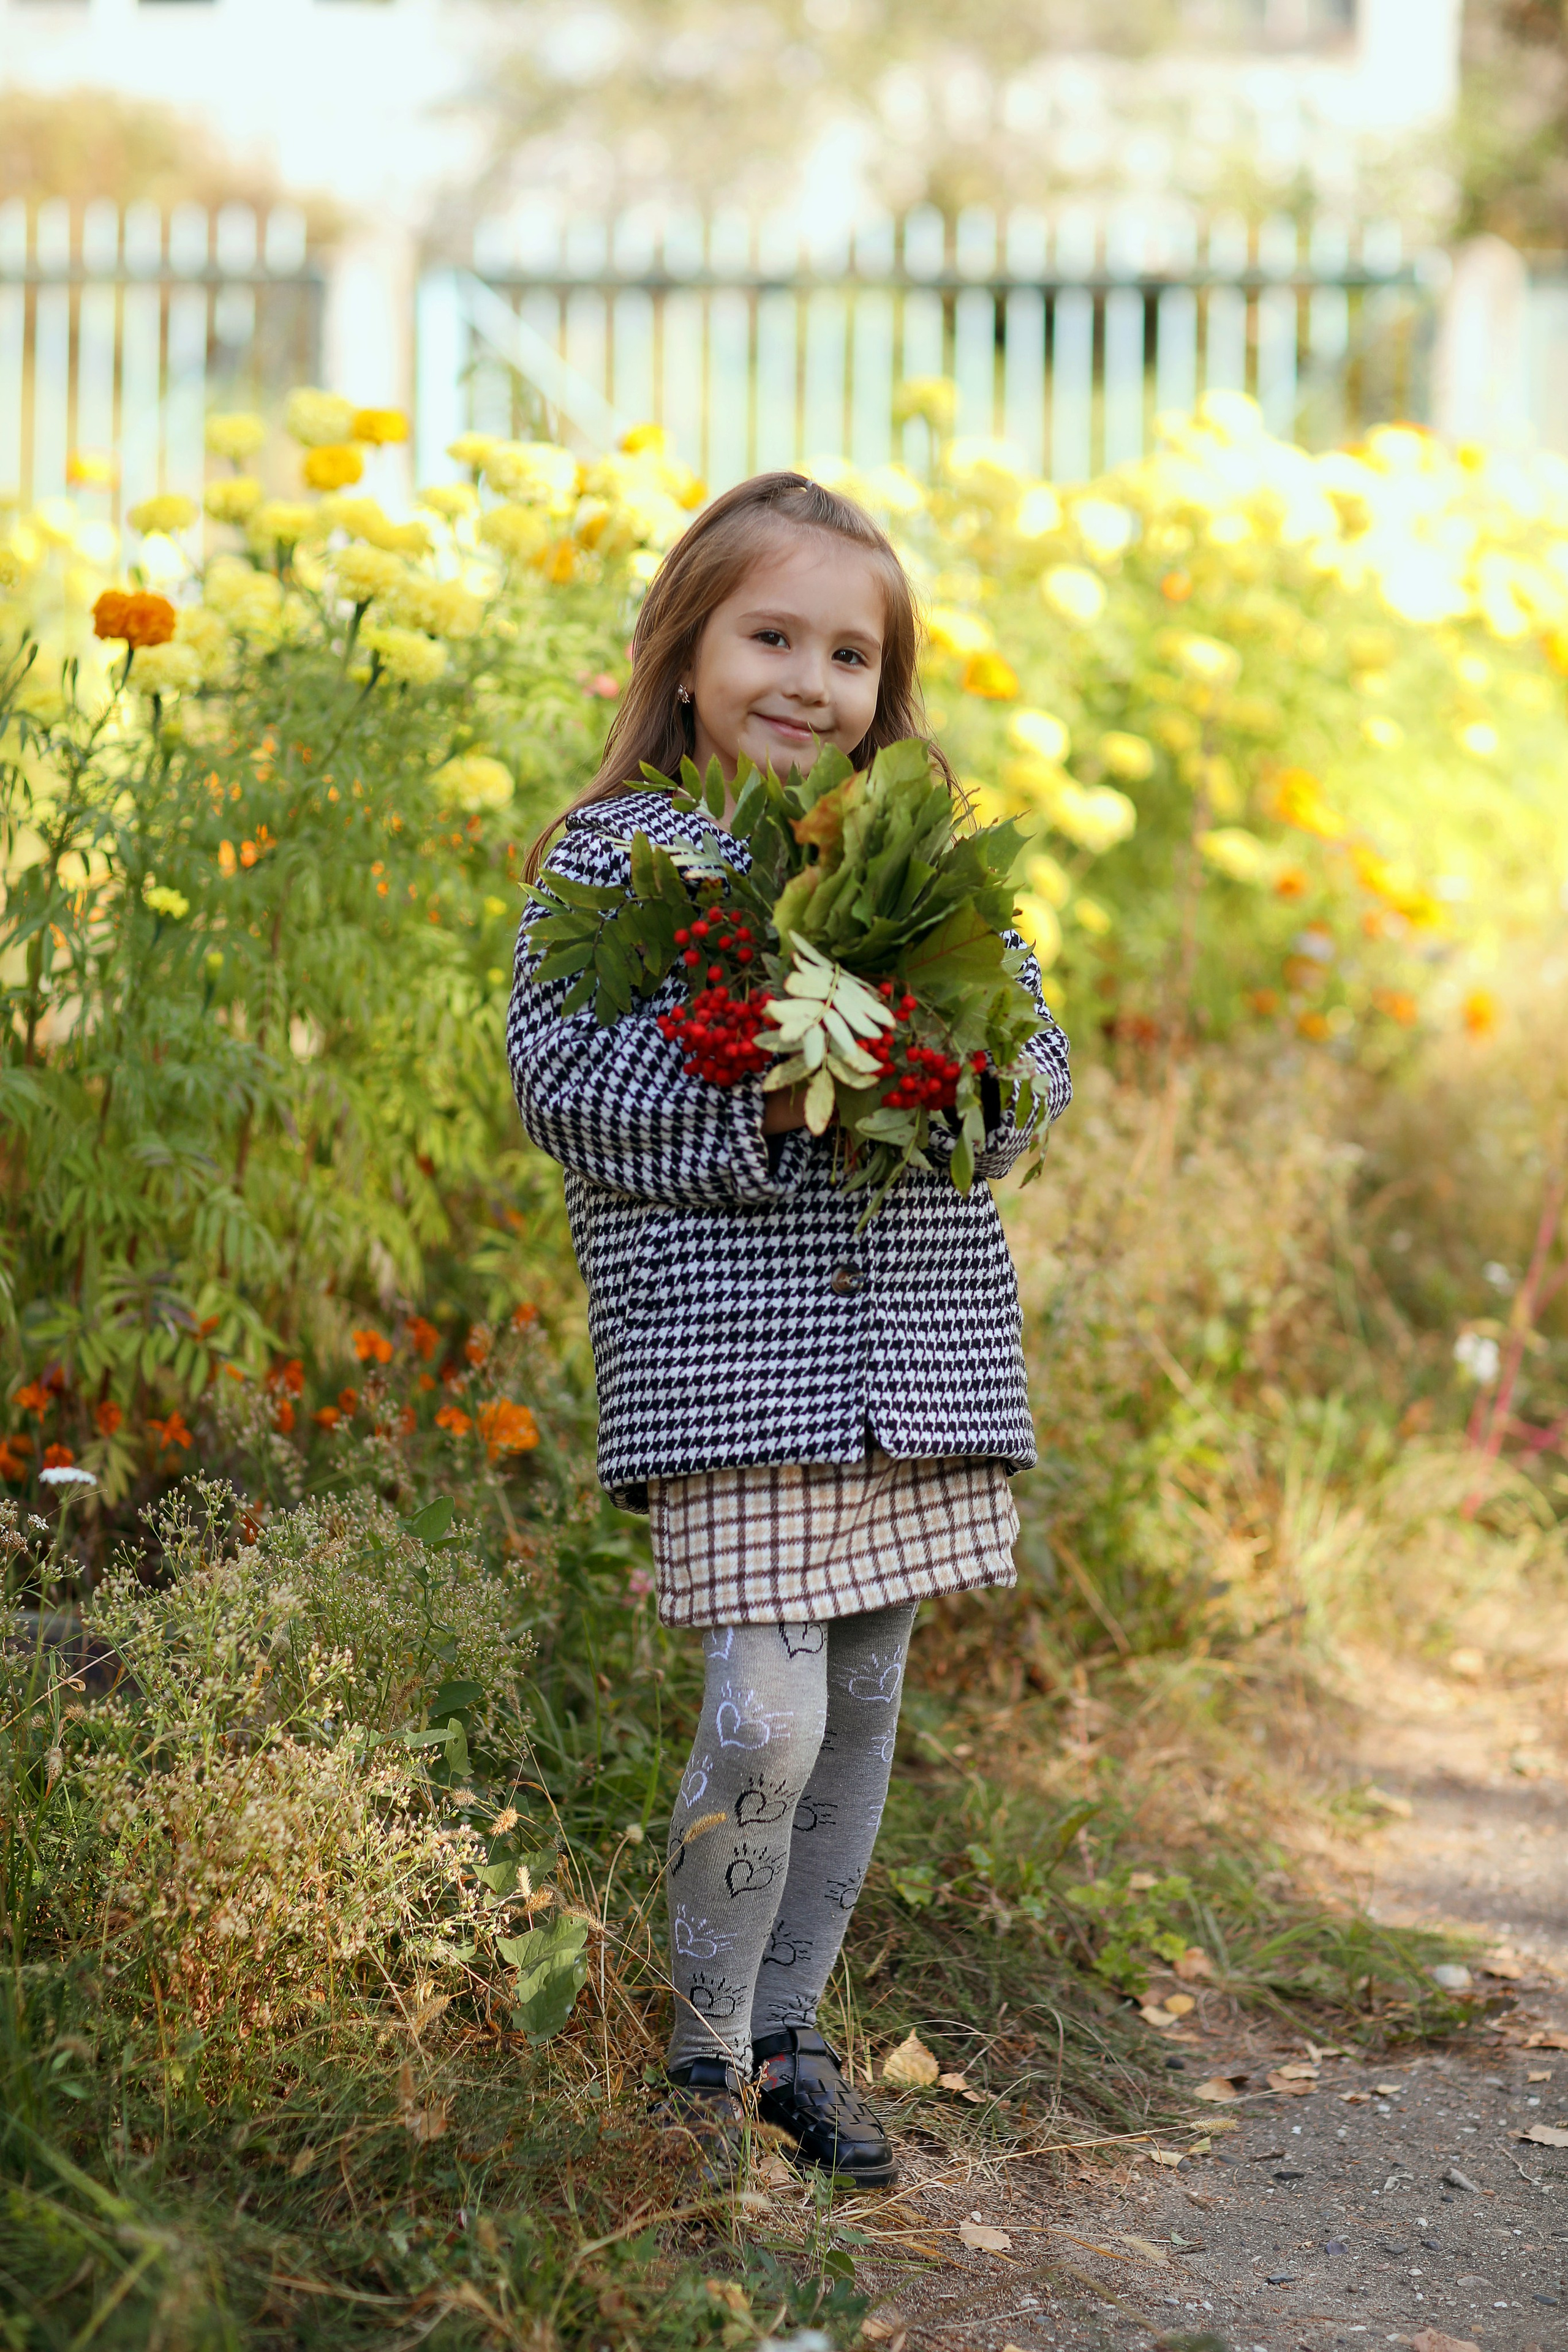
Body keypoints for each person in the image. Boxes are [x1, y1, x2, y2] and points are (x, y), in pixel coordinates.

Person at [507, 471, 1071, 2185]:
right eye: (772, 636)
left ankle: (785, 2041)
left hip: (913, 1357)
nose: (807, 682)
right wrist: (774, 1091)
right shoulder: (614, 858)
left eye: (848, 652)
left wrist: (942, 1088)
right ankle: (692, 2067)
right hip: (731, 1367)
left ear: (882, 688)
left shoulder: (920, 862)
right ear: (687, 651)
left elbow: (1029, 1065)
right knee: (767, 1716)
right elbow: (564, 1089)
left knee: (867, 1692)